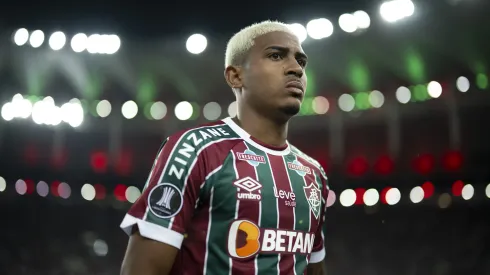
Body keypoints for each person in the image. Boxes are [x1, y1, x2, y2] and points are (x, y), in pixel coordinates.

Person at [120, 20, 330, 275]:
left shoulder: (313, 174)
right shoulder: (194, 150)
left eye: (301, 61)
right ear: (235, 76)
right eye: (276, 55)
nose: (296, 69)